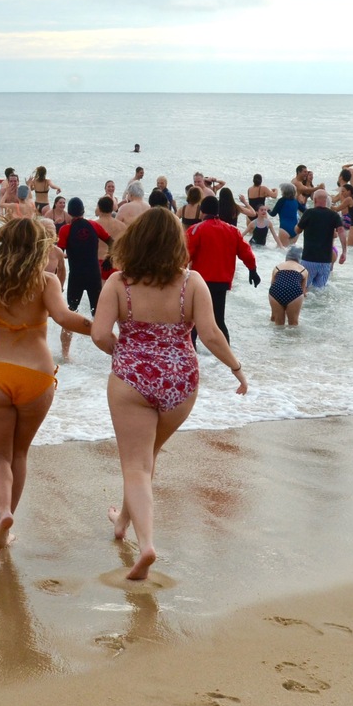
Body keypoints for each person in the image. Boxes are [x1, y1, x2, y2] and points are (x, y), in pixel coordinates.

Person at [89, 208, 247, 581]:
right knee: (147, 457)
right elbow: (209, 334)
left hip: (132, 381)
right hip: (181, 381)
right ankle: (122, 522)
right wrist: (236, 369)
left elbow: (98, 334)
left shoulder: (118, 283)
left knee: (136, 464)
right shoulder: (192, 283)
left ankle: (146, 546)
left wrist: (125, 354)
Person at [0, 218, 93, 551]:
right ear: (37, 248)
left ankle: (3, 512)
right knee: (19, 452)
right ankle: (8, 519)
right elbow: (64, 318)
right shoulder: (46, 281)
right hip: (37, 376)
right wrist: (102, 331)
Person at [186, 195, 259, 343]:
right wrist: (253, 270)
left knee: (193, 323)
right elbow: (246, 252)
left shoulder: (195, 230)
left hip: (201, 282)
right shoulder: (232, 230)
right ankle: (227, 359)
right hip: (222, 282)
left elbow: (184, 255)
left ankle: (194, 358)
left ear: (202, 211)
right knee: (219, 321)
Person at [57, 198, 112, 361]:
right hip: (94, 275)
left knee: (70, 313)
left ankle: (65, 355)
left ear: (69, 212)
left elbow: (58, 253)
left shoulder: (65, 230)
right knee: (98, 314)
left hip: (76, 277)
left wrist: (56, 276)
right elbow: (112, 241)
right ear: (82, 211)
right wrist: (110, 258)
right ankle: (109, 353)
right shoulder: (94, 225)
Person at [292, 190, 346, 288]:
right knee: (320, 291)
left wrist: (297, 225)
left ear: (315, 200)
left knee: (304, 289)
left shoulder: (309, 213)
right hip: (325, 261)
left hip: (309, 259)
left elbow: (297, 231)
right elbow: (341, 231)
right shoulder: (334, 215)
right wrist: (344, 252)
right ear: (326, 201)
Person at [267, 247, 309, 325]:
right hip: (294, 291)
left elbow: (272, 285)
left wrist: (273, 314)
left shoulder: (277, 267)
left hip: (276, 291)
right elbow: (303, 291)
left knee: (278, 324)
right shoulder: (303, 270)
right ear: (299, 258)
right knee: (293, 324)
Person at [271, 183, 301, 248]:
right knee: (290, 251)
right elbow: (305, 211)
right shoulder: (295, 201)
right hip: (296, 229)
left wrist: (268, 210)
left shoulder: (282, 200)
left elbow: (273, 214)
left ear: (284, 191)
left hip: (285, 229)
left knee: (280, 250)